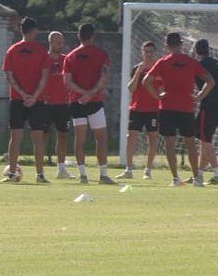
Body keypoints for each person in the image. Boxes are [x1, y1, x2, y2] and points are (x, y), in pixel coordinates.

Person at [143, 32, 215, 187]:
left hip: (167, 107)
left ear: (166, 45)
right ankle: (197, 178)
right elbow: (210, 81)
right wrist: (199, 96)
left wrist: (157, 96)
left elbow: (146, 81)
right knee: (190, 144)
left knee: (170, 143)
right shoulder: (191, 62)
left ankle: (175, 179)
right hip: (186, 108)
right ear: (181, 44)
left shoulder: (163, 62)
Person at [62, 23, 116, 185]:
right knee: (101, 139)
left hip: (77, 102)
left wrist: (82, 93)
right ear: (93, 36)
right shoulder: (100, 54)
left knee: (80, 140)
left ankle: (83, 175)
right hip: (94, 102)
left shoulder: (70, 56)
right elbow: (104, 76)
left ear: (79, 36)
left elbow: (67, 81)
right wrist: (91, 93)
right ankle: (103, 175)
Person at [1, 17, 50, 183]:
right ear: (33, 30)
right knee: (38, 138)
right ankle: (40, 174)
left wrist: (23, 95)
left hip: (17, 99)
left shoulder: (12, 50)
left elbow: (9, 76)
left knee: (15, 137)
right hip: (36, 100)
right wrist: (34, 96)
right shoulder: (41, 51)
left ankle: (12, 172)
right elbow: (44, 77)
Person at [122, 41, 162, 179]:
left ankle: (148, 170)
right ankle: (128, 169)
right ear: (142, 52)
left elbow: (163, 89)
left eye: (151, 51)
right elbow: (131, 88)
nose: (148, 54)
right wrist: (138, 72)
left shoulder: (159, 68)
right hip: (136, 108)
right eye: (146, 51)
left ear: (154, 52)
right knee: (131, 136)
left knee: (152, 138)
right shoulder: (136, 69)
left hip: (153, 109)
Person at [194, 38, 218, 185]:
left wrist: (199, 96)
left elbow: (209, 84)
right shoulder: (216, 64)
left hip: (209, 106)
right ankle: (199, 174)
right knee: (204, 140)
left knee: (205, 141)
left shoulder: (201, 65)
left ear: (196, 51)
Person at [42, 31, 73, 179]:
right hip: (45, 103)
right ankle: (40, 169)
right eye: (56, 42)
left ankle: (61, 169)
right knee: (42, 135)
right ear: (50, 42)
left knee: (63, 135)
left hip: (63, 103)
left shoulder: (67, 59)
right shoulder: (43, 59)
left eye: (61, 42)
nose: (60, 45)